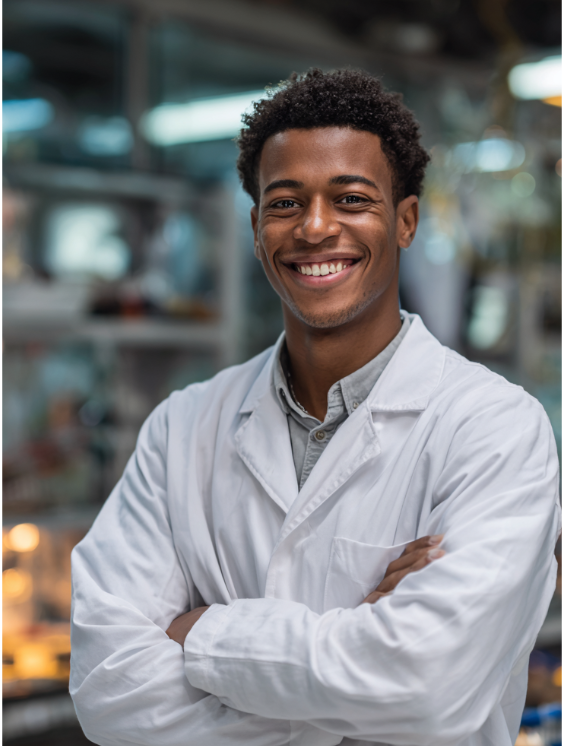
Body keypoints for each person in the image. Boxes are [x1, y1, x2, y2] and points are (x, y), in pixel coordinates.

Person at [70, 69, 560, 746]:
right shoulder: (182, 428)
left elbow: (426, 689)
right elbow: (107, 688)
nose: (316, 227)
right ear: (255, 226)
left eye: (352, 198)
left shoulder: (495, 429)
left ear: (406, 220)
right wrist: (357, 648)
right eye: (285, 203)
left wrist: (200, 634)